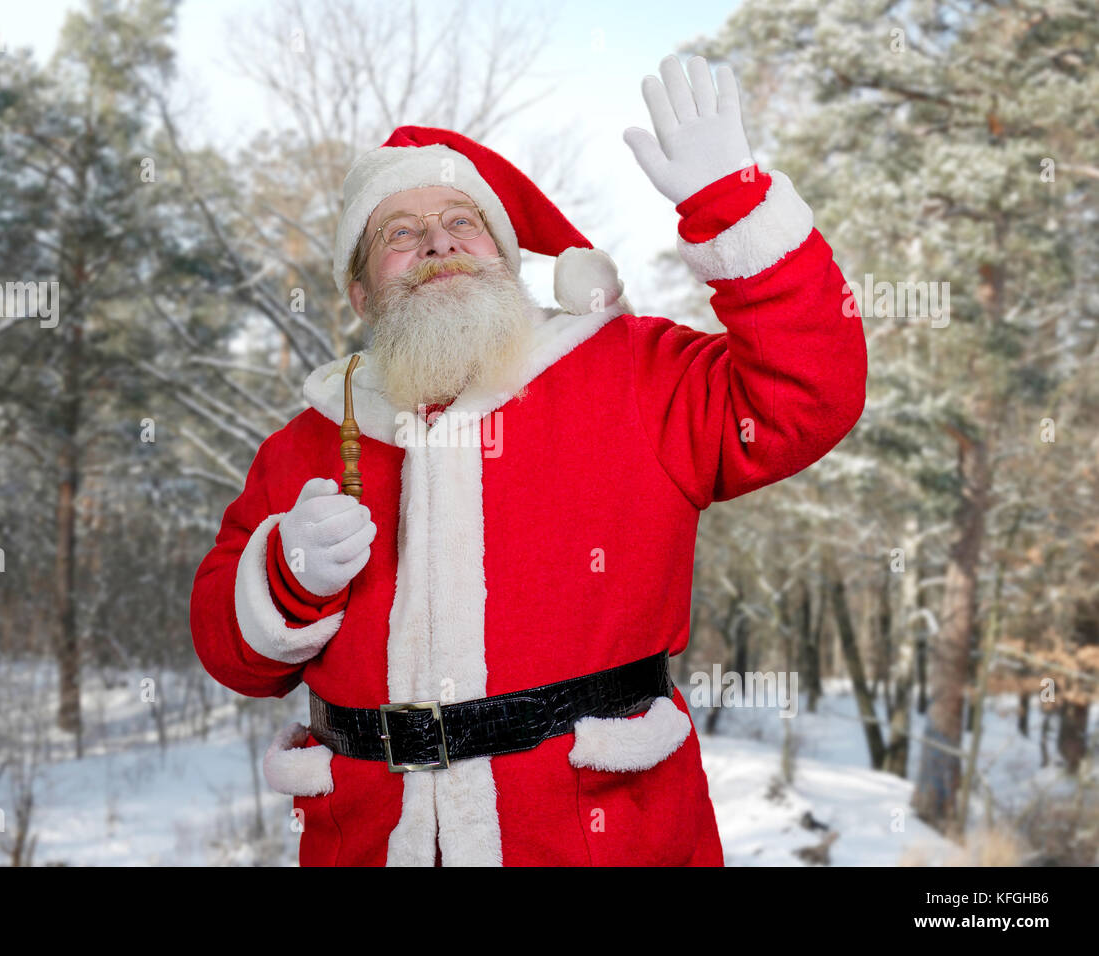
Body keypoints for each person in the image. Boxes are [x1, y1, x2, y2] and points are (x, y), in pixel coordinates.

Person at [190, 54, 867, 866]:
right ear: (362, 294)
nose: (438, 242)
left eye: (463, 221)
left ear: (506, 260)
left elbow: (809, 394)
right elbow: (232, 656)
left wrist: (733, 206)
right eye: (399, 234)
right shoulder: (307, 440)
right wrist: (283, 577)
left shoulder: (632, 372)